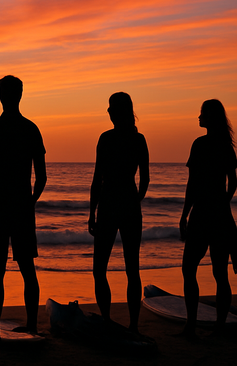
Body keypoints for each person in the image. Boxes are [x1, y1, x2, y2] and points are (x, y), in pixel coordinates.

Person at [0, 75, 46, 342]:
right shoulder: (30, 129)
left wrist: (0, 184)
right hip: (20, 207)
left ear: (2, 96)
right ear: (20, 95)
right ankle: (32, 326)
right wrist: (30, 200)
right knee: (27, 268)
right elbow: (41, 177)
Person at [179, 99, 237, 337]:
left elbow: (192, 184)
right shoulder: (226, 146)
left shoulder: (200, 144)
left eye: (202, 114)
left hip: (202, 214)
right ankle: (219, 327)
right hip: (220, 215)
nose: (198, 117)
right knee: (220, 273)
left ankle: (191, 326)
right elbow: (233, 183)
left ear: (209, 118)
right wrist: (223, 204)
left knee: (189, 269)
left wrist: (185, 214)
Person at [88, 92, 149, 333]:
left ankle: (107, 319)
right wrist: (136, 199)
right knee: (132, 268)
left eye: (111, 107)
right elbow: (144, 179)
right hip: (129, 205)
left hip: (110, 204)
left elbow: (97, 179)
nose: (108, 111)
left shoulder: (107, 138)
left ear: (119, 111)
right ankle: (132, 326)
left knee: (100, 268)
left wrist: (92, 211)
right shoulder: (138, 139)